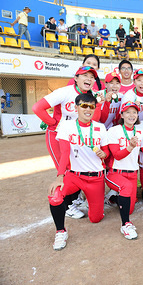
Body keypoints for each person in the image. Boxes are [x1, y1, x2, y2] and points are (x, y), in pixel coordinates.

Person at [32, 66, 102, 219]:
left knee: (76, 169)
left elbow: (95, 120)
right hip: (58, 135)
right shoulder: (65, 91)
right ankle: (67, 205)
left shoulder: (93, 96)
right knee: (64, 171)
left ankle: (74, 200)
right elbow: (37, 107)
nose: (89, 79)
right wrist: (52, 122)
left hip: (77, 137)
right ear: (76, 78)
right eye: (85, 75)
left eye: (92, 77)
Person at [47, 92, 109, 250]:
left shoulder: (100, 128)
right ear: (76, 107)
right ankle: (61, 231)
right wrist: (60, 176)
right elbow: (64, 153)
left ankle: (91, 201)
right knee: (55, 195)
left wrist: (104, 154)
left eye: (91, 106)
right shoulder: (67, 126)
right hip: (74, 176)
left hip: (96, 178)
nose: (88, 109)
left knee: (95, 218)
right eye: (84, 106)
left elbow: (107, 152)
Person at [106, 101, 143, 240]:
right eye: (128, 112)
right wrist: (130, 147)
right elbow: (117, 155)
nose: (132, 115)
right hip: (115, 172)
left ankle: (112, 197)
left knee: (129, 208)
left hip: (132, 174)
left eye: (134, 112)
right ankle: (125, 225)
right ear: (122, 114)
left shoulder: (140, 132)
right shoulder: (114, 130)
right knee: (126, 189)